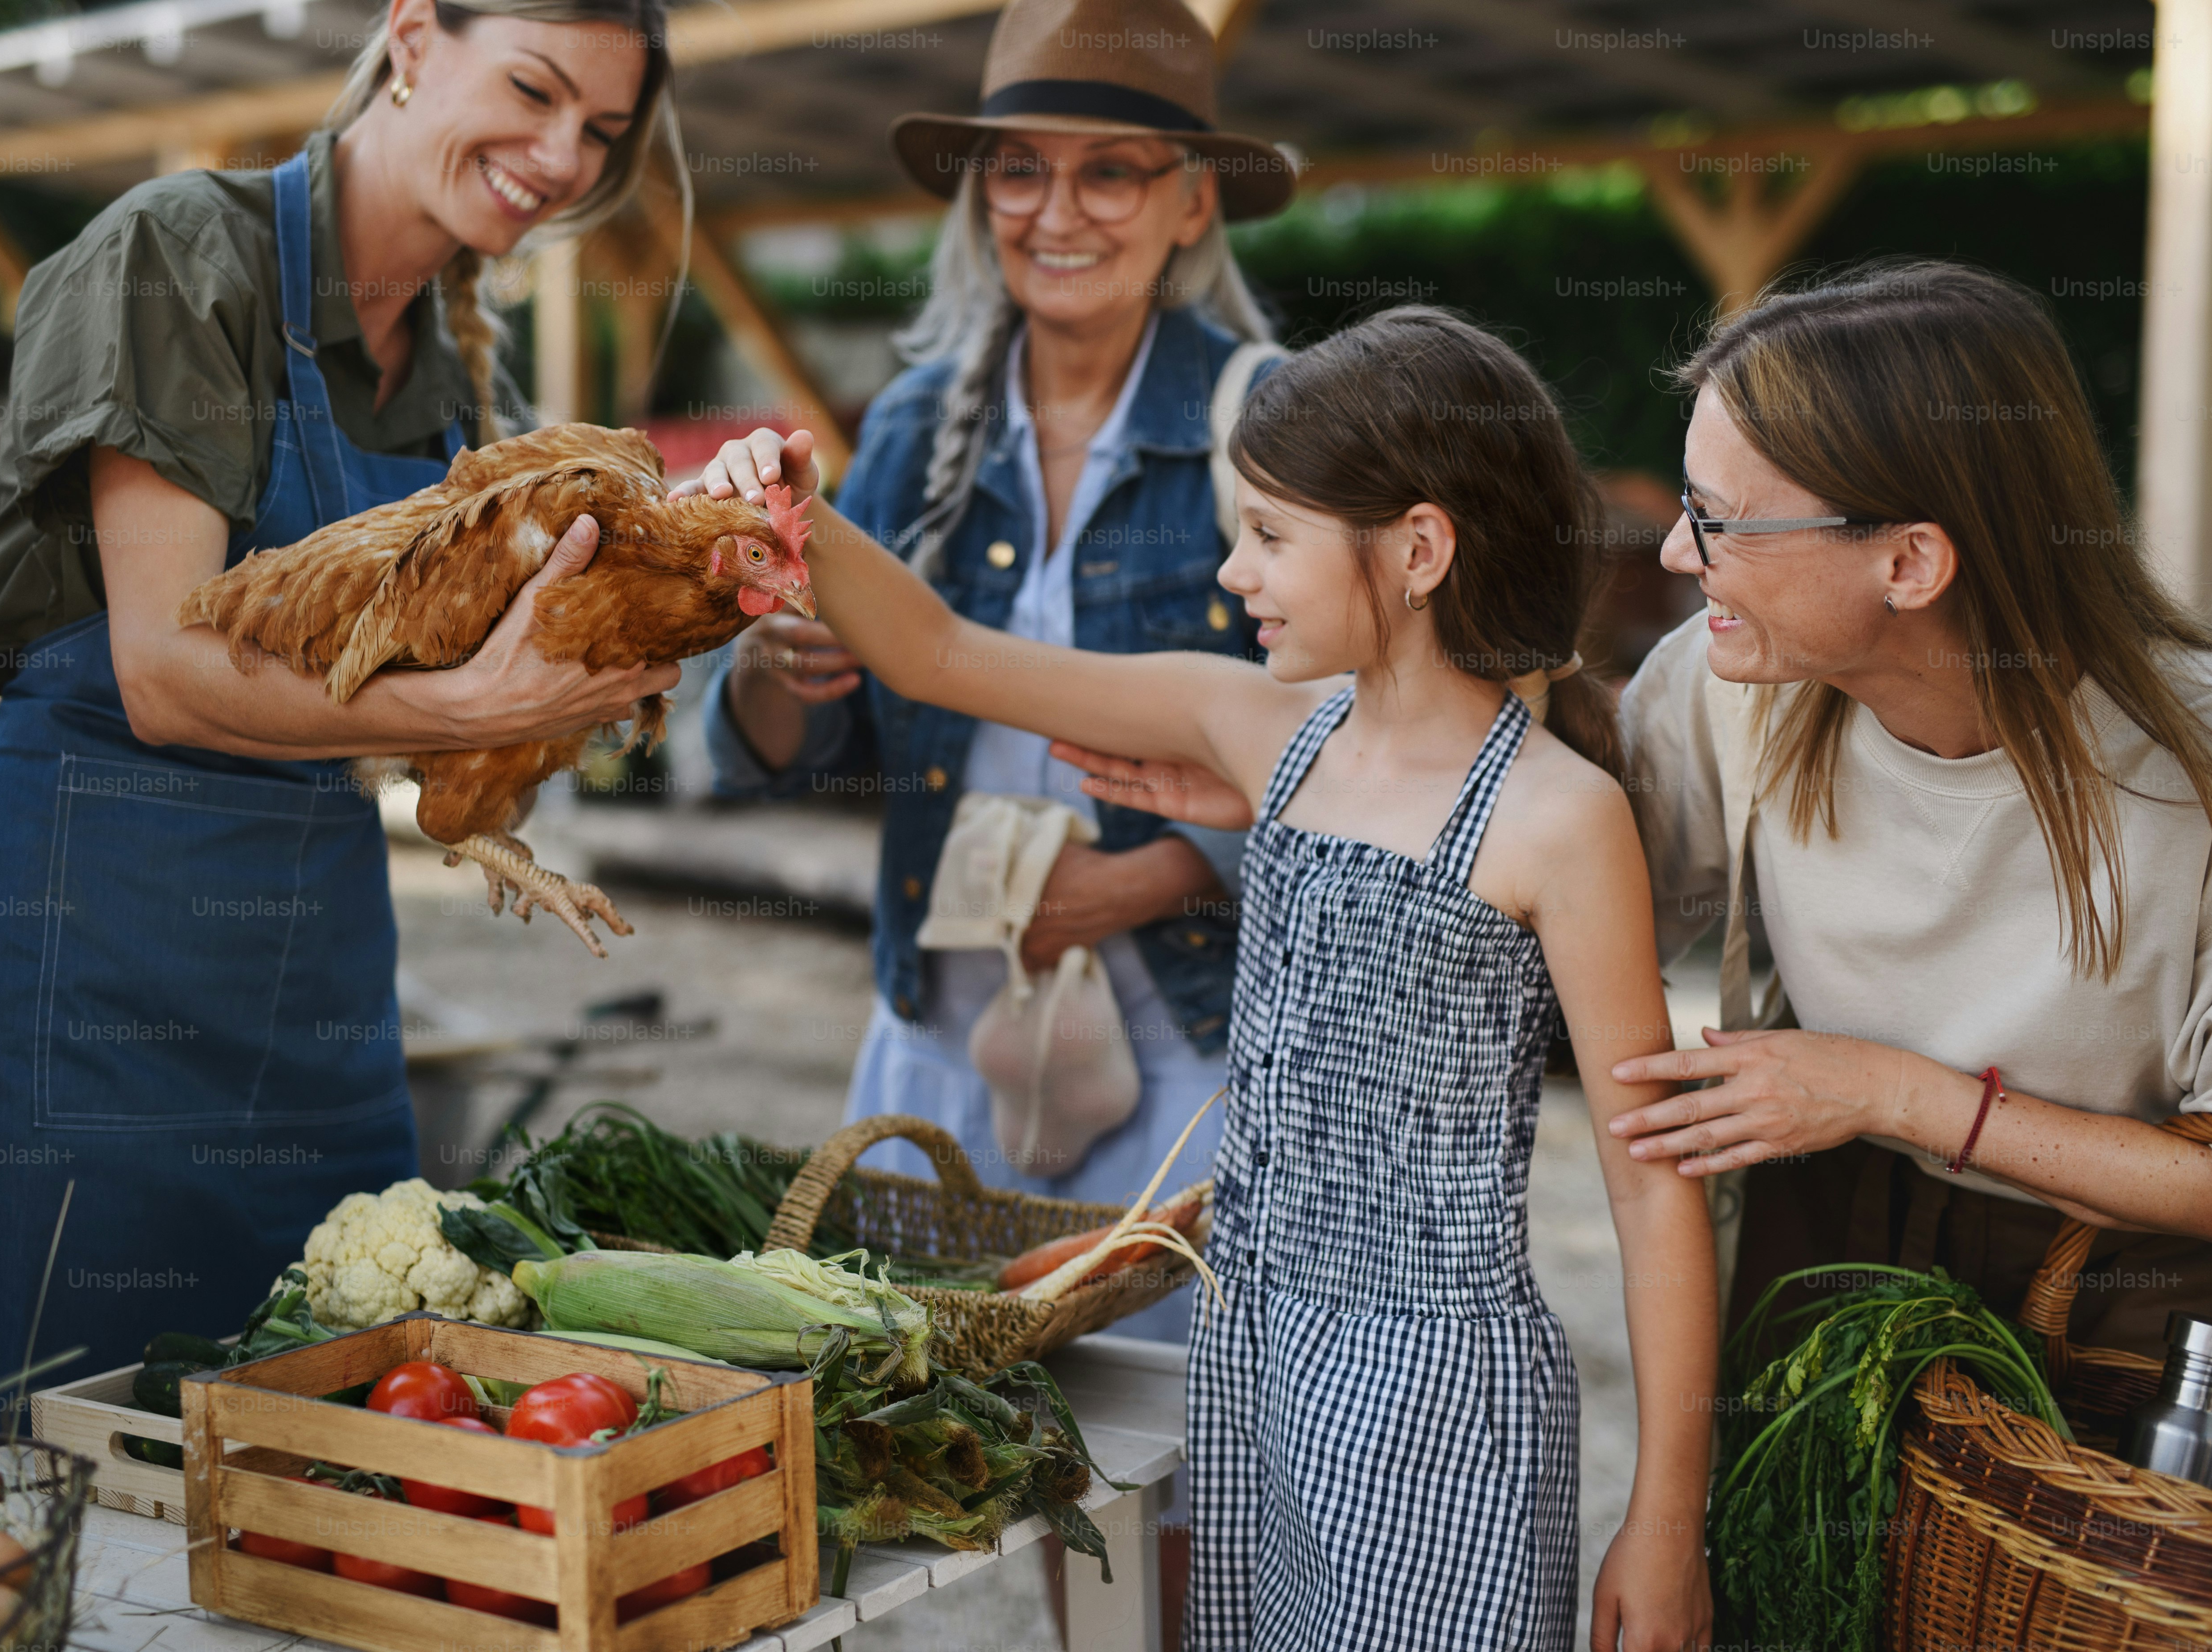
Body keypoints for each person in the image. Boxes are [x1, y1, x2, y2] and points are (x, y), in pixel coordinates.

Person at [678, 304, 1717, 1649]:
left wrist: (1662, 1520)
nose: (1236, 574)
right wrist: (800, 521)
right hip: (1247, 1364)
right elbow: (946, 654)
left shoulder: (1558, 818)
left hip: (1438, 1406)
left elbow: (1648, 1182)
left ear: (1418, 551)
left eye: (1272, 536)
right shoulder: (1263, 728)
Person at [0, 0, 679, 1420]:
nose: (561, 157)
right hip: (75, 985)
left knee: (314, 1493)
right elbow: (166, 676)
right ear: (416, 38)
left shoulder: (449, 380)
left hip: (314, 1021)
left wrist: (693, 614)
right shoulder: (183, 255)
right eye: (536, 91)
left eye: (601, 133)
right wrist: (464, 702)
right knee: (45, 1486)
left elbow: (482, 740)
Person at [701, 0, 1290, 1336]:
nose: (1055, 211)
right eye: (1018, 168)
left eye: (1109, 171)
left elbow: (1371, 744)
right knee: (948, 1441)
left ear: (1193, 204)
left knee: (1174, 1468)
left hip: (1187, 1051)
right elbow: (801, 761)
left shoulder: (1264, 422)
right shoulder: (913, 427)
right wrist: (772, 668)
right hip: (938, 1051)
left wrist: (1143, 880)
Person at [1599, 260, 2212, 1346]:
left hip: (2119, 1308)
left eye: (1719, 520)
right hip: (1820, 1247)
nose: (1675, 553)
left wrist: (1893, 1094)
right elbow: (1567, 926)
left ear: (1908, 561)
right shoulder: (1726, 686)